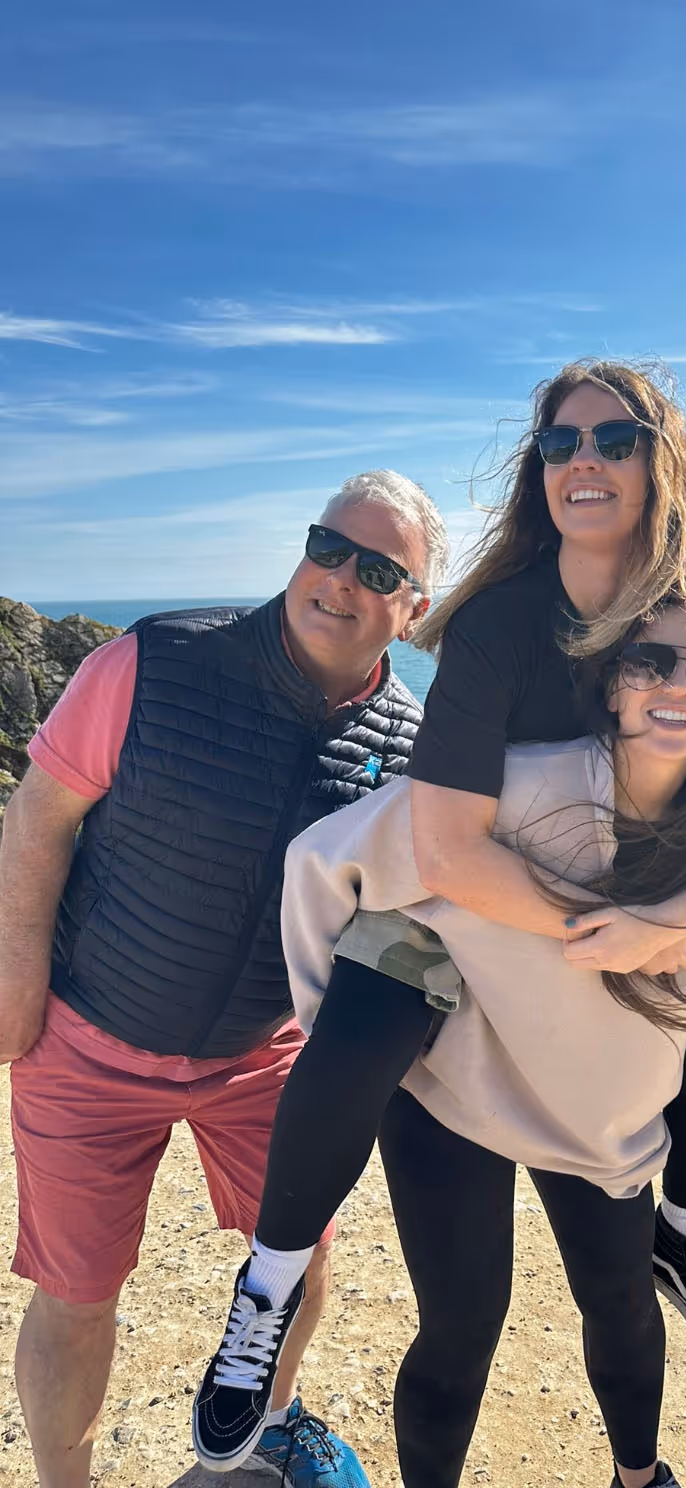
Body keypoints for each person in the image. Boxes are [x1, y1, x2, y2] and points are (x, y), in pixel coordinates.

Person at [197, 358, 686, 1396]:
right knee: (362, 1032)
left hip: (607, 881)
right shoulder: (501, 624)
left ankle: (684, 1224)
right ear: (540, 471)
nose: (584, 460)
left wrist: (668, 920)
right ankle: (270, 1284)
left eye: (615, 440)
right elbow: (447, 854)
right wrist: (608, 929)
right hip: (454, 885)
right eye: (562, 442)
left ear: (659, 466)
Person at [203, 582, 686, 1488]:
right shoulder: (524, 785)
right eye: (651, 659)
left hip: (588, 1102)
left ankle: (640, 1477)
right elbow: (329, 859)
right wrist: (342, 1022)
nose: (680, 682)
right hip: (453, 1081)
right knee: (462, 1324)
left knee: (624, 1300)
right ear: (612, 685)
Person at [0, 470, 448, 1488]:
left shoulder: (408, 745)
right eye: (328, 546)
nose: (341, 577)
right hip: (89, 1032)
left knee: (301, 1255)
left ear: (415, 609)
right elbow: (38, 819)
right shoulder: (151, 660)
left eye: (380, 570)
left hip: (265, 1054)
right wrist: (15, 986)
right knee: (77, 1295)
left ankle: (261, 1435)